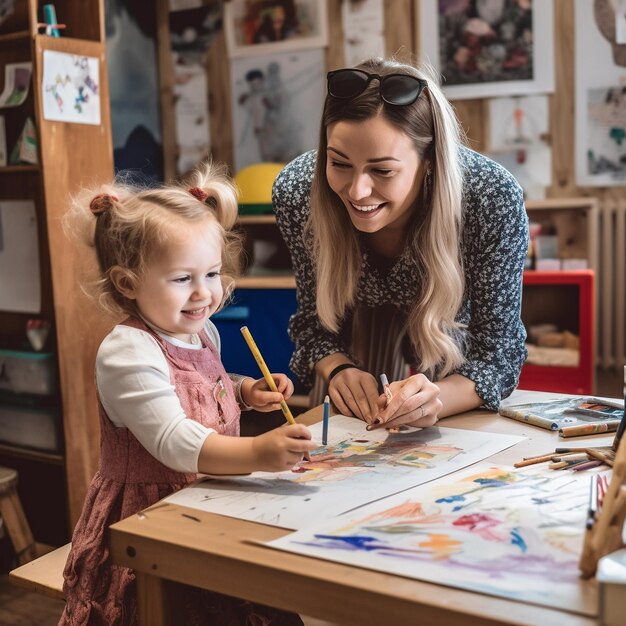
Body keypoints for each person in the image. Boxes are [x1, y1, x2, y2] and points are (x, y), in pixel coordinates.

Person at [60, 161, 315, 625]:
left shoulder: (203, 333)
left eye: (212, 274)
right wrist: (256, 450)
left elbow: (205, 388)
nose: (204, 294)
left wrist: (244, 391)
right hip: (150, 520)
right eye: (183, 279)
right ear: (127, 283)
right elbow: (175, 441)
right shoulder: (127, 352)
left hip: (209, 496)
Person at [273, 57, 528, 430]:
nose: (358, 191)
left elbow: (497, 357)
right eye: (339, 163)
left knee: (446, 453)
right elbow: (315, 326)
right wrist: (340, 370)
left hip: (447, 320)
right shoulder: (299, 192)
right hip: (357, 319)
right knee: (338, 442)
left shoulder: (490, 197)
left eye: (382, 170)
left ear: (429, 162)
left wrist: (435, 400)